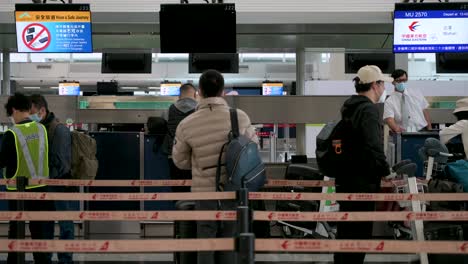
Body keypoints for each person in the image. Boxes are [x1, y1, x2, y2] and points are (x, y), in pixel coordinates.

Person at [172, 70, 258, 264]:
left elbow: (180, 161)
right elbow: (254, 151)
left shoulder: (187, 124)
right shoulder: (240, 117)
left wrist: (199, 163)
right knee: (230, 240)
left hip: (204, 194)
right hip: (233, 191)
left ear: (199, 92)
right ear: (222, 92)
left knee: (206, 241)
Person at [334, 66, 392, 264]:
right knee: (359, 233)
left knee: (346, 230)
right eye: (382, 83)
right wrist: (386, 171)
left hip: (347, 179)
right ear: (375, 85)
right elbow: (373, 145)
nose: (384, 87)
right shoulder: (368, 109)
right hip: (362, 181)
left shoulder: (350, 107)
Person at [0, 93, 55, 264]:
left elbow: (3, 160)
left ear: (15, 110)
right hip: (41, 188)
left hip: (19, 191)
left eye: (11, 114)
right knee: (39, 232)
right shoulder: (41, 129)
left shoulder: (12, 133)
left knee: (16, 231)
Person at [30, 94, 74, 264]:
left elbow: (63, 163)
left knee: (65, 225)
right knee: (45, 224)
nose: (31, 116)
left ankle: (65, 259)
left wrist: (48, 176)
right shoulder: (37, 128)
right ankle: (45, 257)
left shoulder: (59, 129)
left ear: (42, 110)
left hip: (59, 184)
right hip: (43, 184)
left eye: (33, 112)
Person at [161, 83, 197, 192]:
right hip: (195, 156)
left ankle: (179, 205)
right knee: (194, 190)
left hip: (174, 156)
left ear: (179, 96)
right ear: (195, 95)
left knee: (178, 189)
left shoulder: (168, 110)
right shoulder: (200, 110)